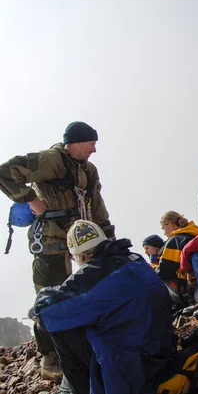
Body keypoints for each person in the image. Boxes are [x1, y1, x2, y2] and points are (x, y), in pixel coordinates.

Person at [0, 121, 114, 381]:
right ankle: (50, 357)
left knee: (92, 289)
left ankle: (88, 344)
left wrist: (109, 240)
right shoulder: (52, 160)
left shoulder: (89, 170)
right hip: (51, 239)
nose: (94, 149)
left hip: (83, 241)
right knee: (51, 296)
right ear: (74, 143)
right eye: (91, 144)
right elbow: (5, 171)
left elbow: (96, 204)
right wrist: (30, 199)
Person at [32, 220, 176, 394]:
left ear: (81, 256)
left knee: (56, 325)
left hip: (133, 371)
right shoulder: (135, 259)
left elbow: (45, 311)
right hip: (164, 353)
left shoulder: (93, 274)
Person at [156, 211, 198, 307]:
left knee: (157, 279)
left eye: (163, 228)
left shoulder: (175, 240)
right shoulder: (196, 235)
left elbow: (165, 270)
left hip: (189, 288)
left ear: (170, 225)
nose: (164, 233)